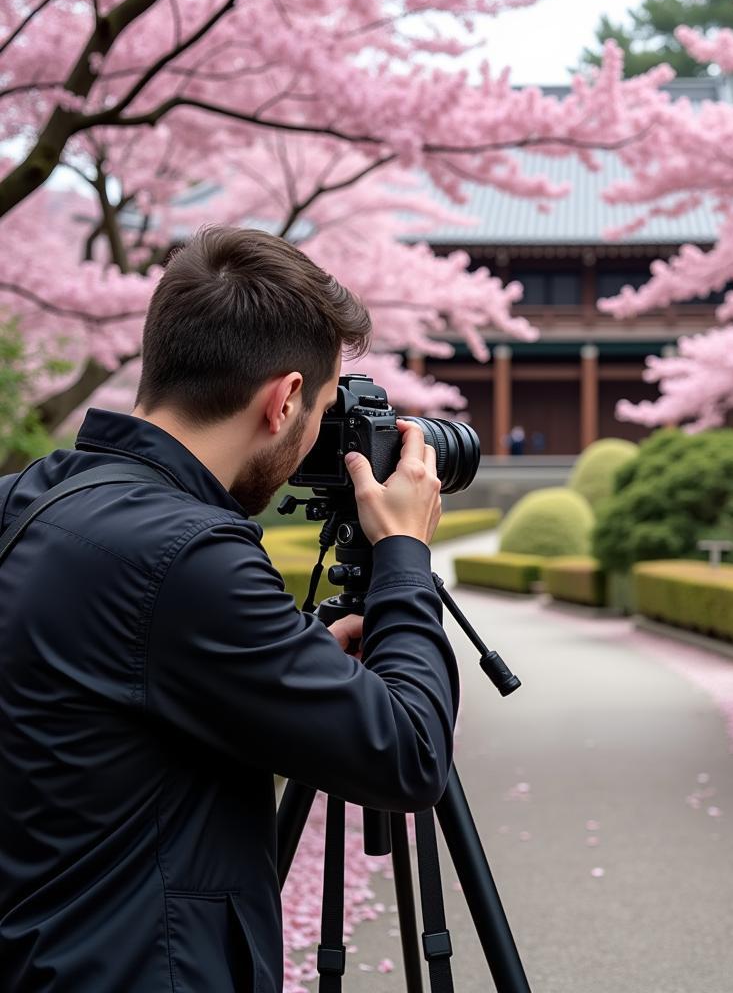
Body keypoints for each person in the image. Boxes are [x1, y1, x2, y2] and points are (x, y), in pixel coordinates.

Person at [0, 226, 460, 992]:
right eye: (318, 410)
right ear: (283, 400)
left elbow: (111, 686)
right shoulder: (188, 556)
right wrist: (405, 556)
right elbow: (407, 755)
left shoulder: (27, 500)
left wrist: (292, 649)